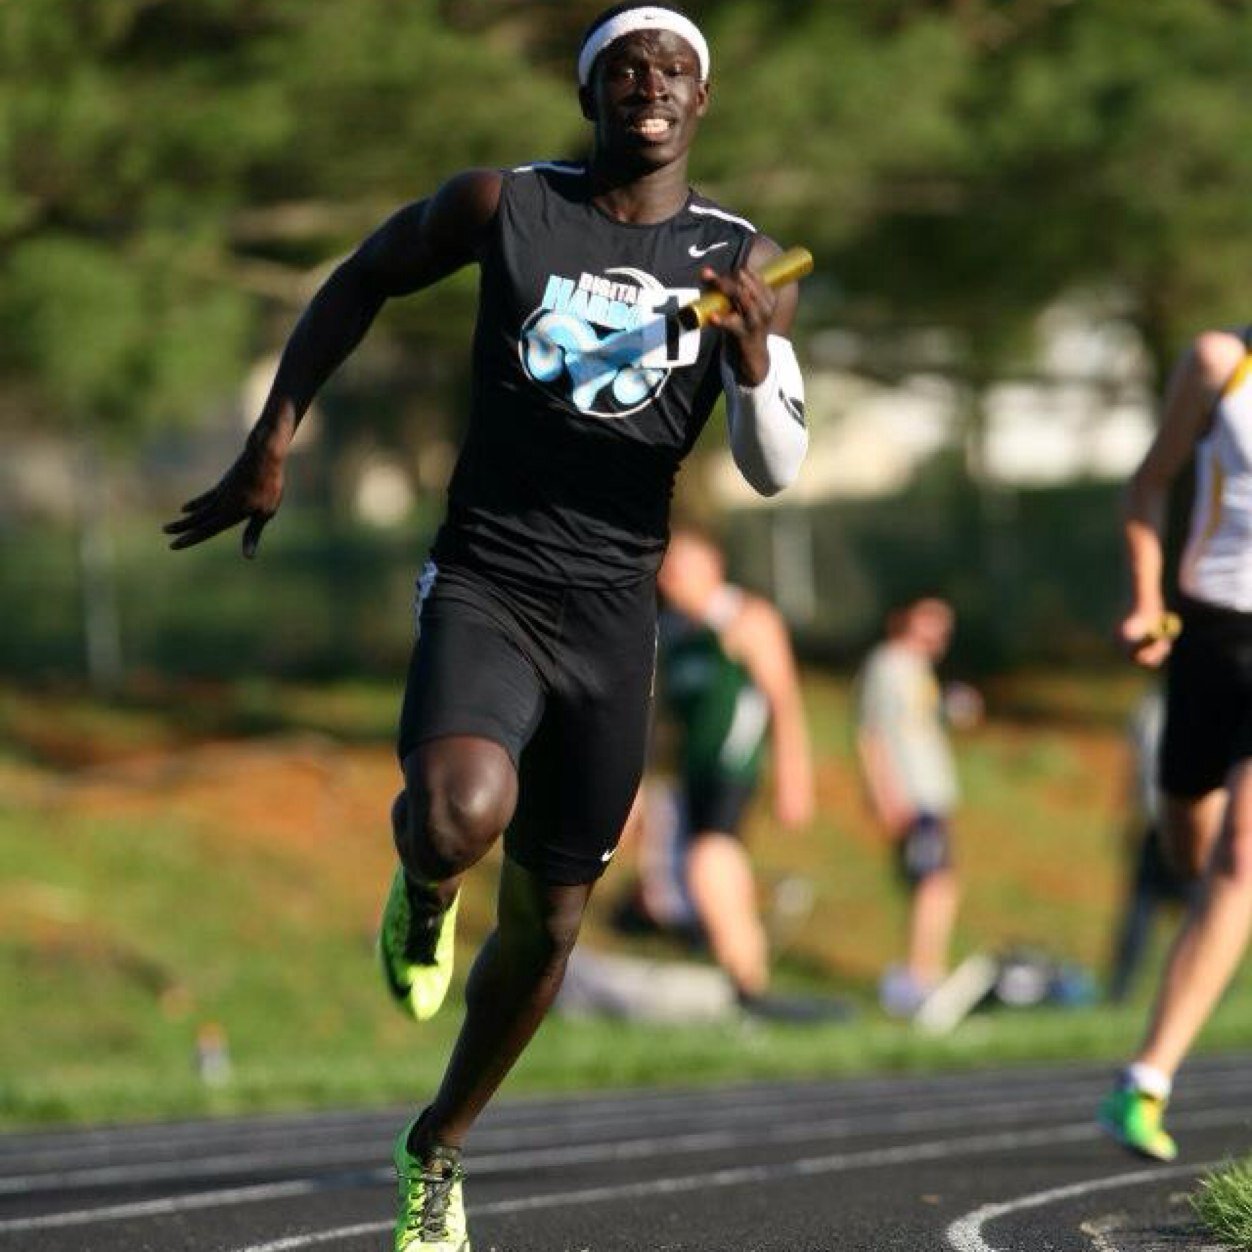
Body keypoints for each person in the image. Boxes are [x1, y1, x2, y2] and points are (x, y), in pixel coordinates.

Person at [164, 4, 809, 1248]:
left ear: (702, 100)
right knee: (459, 811)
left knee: (551, 926)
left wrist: (751, 359)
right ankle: (420, 887)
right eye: (625, 68)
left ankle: (437, 1146)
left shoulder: (742, 256)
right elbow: (357, 276)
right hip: (489, 578)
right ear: (591, 97)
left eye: (675, 68)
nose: (651, 84)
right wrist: (271, 437)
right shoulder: (502, 205)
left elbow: (777, 465)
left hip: (616, 615)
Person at [1099, 325, 1252, 1163]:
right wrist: (1143, 599)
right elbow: (1147, 488)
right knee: (1191, 855)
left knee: (1241, 858)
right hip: (1208, 638)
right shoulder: (1218, 363)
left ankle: (1144, 1083)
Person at [646, 524, 831, 1021]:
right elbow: (664, 726)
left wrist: (795, 777)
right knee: (698, 880)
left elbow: (784, 701)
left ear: (713, 566)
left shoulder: (746, 619)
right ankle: (744, 987)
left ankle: (748, 987)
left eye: (680, 567)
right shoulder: (674, 633)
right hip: (693, 775)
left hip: (734, 766)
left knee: (709, 863)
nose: (669, 579)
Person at [853, 595, 966, 1018]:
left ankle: (925, 972)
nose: (938, 634)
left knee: (942, 883)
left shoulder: (919, 669)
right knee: (932, 884)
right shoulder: (888, 664)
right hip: (911, 795)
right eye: (929, 622)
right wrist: (886, 794)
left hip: (932, 794)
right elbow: (872, 734)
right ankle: (919, 980)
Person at [1106, 685, 1192, 1005]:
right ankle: (1120, 994)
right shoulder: (1150, 708)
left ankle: (1198, 996)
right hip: (1162, 825)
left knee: (1196, 917)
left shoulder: (1155, 707)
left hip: (1181, 824)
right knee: (1141, 919)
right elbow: (1137, 772)